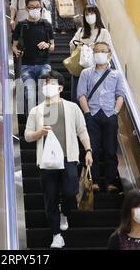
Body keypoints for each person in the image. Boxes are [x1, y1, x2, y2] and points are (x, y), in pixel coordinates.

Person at [25, 70, 93, 249]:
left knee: (71, 192)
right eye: (45, 83)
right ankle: (56, 235)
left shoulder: (72, 107)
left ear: (60, 87)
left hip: (68, 158)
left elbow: (82, 130)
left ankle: (65, 211)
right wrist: (40, 133)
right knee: (50, 198)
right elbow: (27, 135)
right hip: (46, 162)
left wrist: (88, 150)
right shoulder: (36, 110)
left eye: (51, 83)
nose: (47, 86)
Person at [77, 42, 125, 192]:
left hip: (110, 115)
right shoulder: (86, 73)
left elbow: (121, 95)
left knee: (111, 150)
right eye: (97, 51)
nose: (99, 53)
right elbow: (81, 94)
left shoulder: (116, 74)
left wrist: (116, 112)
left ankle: (110, 181)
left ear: (109, 54)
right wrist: (87, 113)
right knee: (93, 149)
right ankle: (95, 181)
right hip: (93, 115)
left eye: (103, 51)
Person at [12, 0, 55, 114]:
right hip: (26, 66)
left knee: (45, 95)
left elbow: (52, 46)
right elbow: (14, 45)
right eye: (31, 7)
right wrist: (15, 50)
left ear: (41, 7)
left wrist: (47, 45)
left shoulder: (46, 24)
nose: (35, 9)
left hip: (44, 64)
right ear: (26, 8)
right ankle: (30, 126)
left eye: (37, 6)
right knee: (29, 95)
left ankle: (43, 124)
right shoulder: (21, 25)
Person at [69, 5, 113, 102]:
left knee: (95, 99)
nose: (89, 16)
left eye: (92, 13)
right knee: (78, 98)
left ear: (97, 14)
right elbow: (72, 44)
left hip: (97, 71)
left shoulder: (103, 32)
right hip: (80, 69)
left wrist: (97, 47)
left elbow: (110, 51)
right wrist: (83, 46)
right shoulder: (81, 31)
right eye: (87, 14)